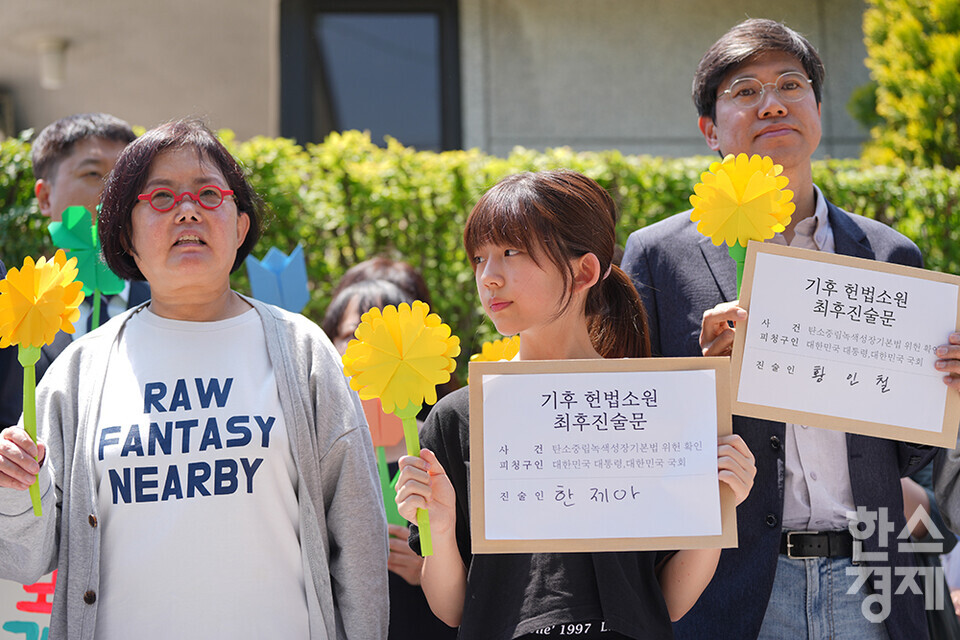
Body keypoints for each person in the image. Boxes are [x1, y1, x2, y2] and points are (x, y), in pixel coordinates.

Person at [621, 18, 949, 640]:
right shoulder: (658, 254)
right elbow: (633, 430)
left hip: (873, 578)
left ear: (817, 111)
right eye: (744, 91)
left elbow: (910, 456)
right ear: (710, 130)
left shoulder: (888, 254)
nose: (772, 102)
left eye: (790, 84)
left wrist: (947, 389)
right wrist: (706, 378)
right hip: (732, 588)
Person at [0, 119, 388, 639]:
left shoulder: (303, 351)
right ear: (125, 237)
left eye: (209, 193)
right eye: (160, 197)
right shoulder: (79, 369)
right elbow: (26, 559)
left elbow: (358, 535)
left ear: (240, 227)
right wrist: (16, 486)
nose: (187, 209)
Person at [395, 170, 757, 640]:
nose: (489, 277)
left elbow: (668, 601)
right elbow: (452, 608)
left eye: (511, 252)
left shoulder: (654, 407)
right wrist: (440, 529)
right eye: (479, 258)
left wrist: (723, 501)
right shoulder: (459, 418)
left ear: (585, 270)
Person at [323, 278, 458, 640]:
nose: (370, 350)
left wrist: (432, 566)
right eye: (353, 335)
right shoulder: (313, 449)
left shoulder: (442, 441)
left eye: (385, 337)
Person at [0, 114, 141, 429]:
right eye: (93, 173)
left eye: (128, 178)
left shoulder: (175, 306)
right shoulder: (12, 305)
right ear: (45, 197)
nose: (115, 191)